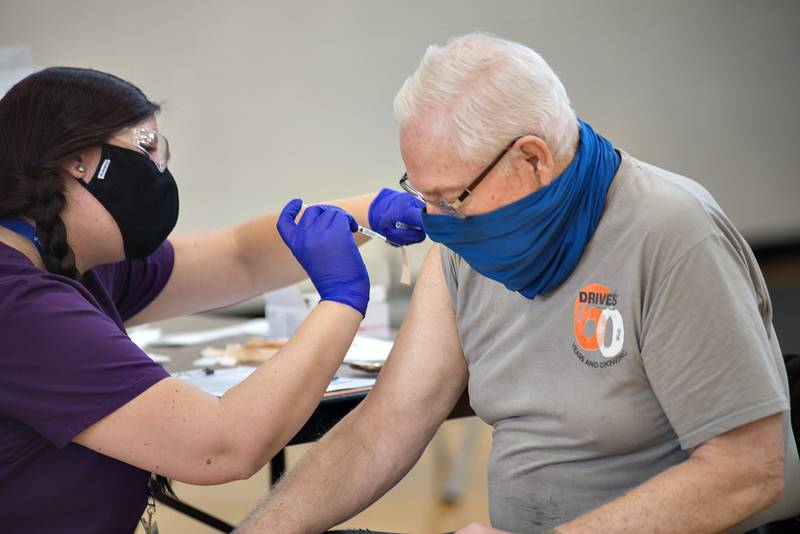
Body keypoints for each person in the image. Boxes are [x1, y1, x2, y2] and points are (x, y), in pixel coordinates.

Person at [237, 34, 800, 534]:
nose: (434, 219)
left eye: (450, 197)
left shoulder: (671, 234)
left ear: (533, 158)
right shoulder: (470, 248)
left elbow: (748, 472)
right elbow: (385, 426)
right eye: (422, 193)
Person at [0, 67, 425, 533]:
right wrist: (341, 301)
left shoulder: (74, 263)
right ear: (79, 162)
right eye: (146, 148)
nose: (158, 170)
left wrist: (370, 212)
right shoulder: (20, 307)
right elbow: (221, 445)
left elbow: (238, 258)